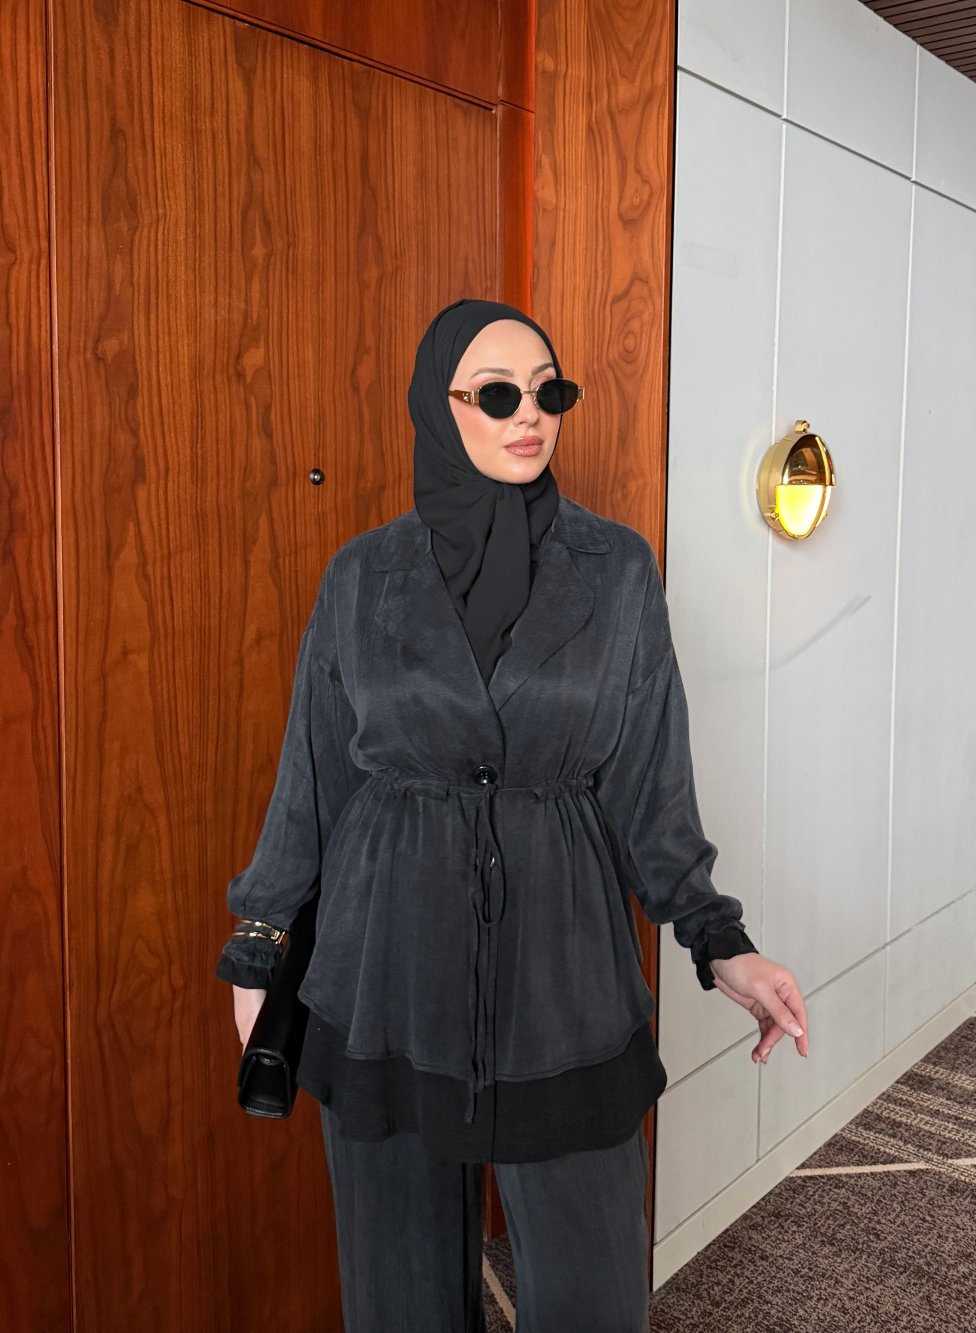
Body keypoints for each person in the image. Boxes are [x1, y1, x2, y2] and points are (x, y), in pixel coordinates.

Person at [215, 298, 809, 1332]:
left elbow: (650, 780)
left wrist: (719, 939)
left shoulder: (617, 571)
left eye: (548, 391)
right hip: (388, 958)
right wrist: (259, 944)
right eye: (496, 394)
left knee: (591, 1282)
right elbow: (312, 779)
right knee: (399, 1286)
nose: (528, 414)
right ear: (436, 406)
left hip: (561, 962)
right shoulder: (362, 577)